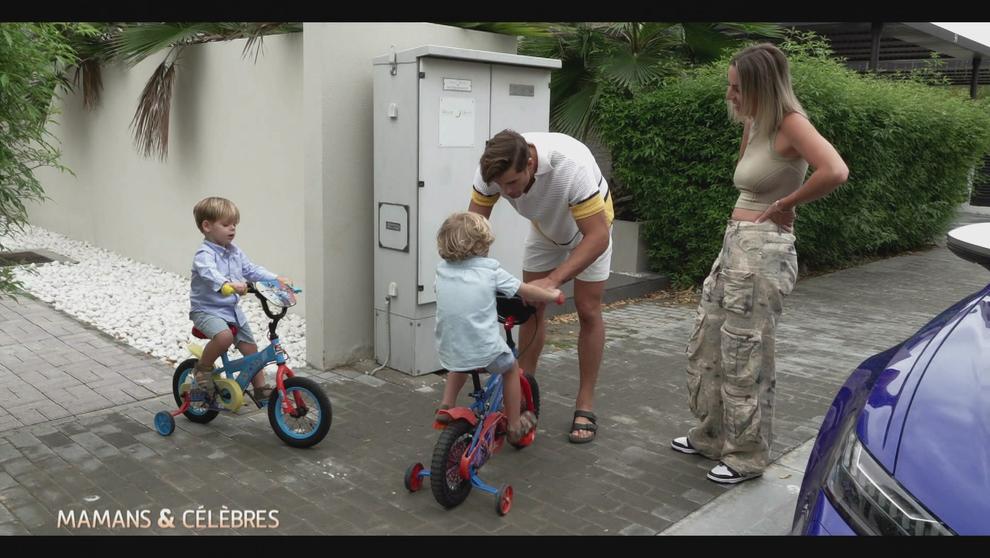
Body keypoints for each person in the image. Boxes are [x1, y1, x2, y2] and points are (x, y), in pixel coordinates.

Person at [672, 43, 848, 484]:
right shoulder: (754, 123)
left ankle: (746, 456)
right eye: (729, 86)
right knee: (708, 341)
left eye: (737, 87)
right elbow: (747, 177)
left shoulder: (792, 123)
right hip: (734, 244)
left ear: (761, 86)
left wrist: (788, 202)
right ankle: (710, 435)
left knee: (745, 353)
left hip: (763, 250)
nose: (730, 95)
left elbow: (835, 170)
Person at [456, 129, 613, 443]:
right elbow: (472, 232)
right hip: (546, 230)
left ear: (530, 162)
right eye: (501, 186)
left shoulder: (570, 167)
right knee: (530, 307)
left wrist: (554, 280)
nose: (508, 192)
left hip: (591, 232)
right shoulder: (492, 172)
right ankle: (523, 393)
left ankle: (585, 403)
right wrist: (465, 280)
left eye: (512, 183)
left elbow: (598, 237)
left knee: (587, 310)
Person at [433, 212, 563, 442]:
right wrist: (551, 295)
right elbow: (526, 290)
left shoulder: (442, 271)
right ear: (481, 244)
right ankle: (513, 425)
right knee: (511, 368)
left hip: (449, 349)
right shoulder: (489, 270)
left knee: (461, 365)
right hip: (485, 352)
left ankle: (447, 404)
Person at [188, 196, 291, 404]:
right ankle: (203, 369)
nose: (232, 228)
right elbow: (209, 273)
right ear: (207, 226)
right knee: (224, 338)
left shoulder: (234, 252)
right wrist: (227, 284)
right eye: (226, 224)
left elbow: (251, 269)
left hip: (231, 310)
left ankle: (260, 388)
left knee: (250, 349)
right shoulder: (204, 254)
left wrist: (276, 279)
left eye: (234, 224)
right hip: (206, 310)